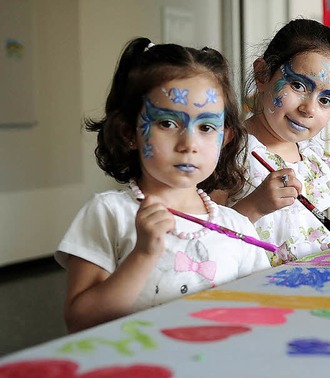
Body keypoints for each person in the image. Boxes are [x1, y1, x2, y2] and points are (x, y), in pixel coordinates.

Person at [55, 38, 270, 333]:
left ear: (225, 138)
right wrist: (143, 255)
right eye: (167, 123)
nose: (189, 144)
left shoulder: (238, 228)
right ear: (130, 132)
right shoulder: (108, 213)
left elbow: (262, 313)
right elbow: (80, 321)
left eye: (206, 127)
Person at [227, 18, 330, 265]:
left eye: (325, 100)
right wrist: (254, 206)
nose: (309, 109)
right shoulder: (229, 148)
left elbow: (309, 243)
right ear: (262, 74)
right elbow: (204, 236)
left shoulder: (314, 159)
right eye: (298, 85)